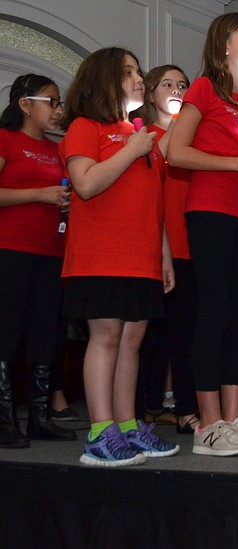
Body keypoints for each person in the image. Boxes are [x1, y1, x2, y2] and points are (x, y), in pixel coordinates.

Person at [60, 47, 179, 466]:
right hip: (100, 258)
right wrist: (131, 148)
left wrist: (163, 255)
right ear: (102, 79)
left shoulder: (145, 136)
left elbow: (156, 205)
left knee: (133, 342)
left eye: (138, 71)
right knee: (107, 338)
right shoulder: (85, 126)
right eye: (127, 71)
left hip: (141, 258)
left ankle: (128, 428)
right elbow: (86, 184)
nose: (138, 78)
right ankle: (99, 433)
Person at [169, 12, 238, 456]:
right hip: (210, 211)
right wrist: (236, 162)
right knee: (214, 313)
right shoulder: (203, 87)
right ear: (224, 41)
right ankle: (207, 425)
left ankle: (233, 420)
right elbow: (177, 151)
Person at [0, 74, 77, 448]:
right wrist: (40, 194)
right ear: (25, 104)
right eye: (51, 100)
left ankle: (41, 418)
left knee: (46, 333)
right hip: (10, 250)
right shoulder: (5, 139)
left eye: (59, 101)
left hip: (51, 253)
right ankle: (4, 419)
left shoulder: (55, 149)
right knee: (7, 333)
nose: (57, 108)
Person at [135, 64, 201, 434]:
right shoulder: (145, 135)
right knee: (154, 335)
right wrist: (180, 122)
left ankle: (177, 407)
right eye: (168, 84)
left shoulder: (191, 140)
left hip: (191, 244)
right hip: (158, 245)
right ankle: (153, 407)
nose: (177, 89)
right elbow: (156, 162)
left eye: (183, 85)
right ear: (150, 94)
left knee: (183, 332)